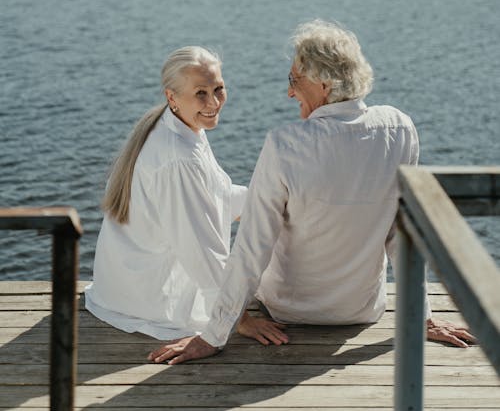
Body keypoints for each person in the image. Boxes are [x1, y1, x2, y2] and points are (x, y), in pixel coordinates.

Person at [148, 21, 475, 364]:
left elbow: (251, 248)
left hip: (288, 310)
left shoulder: (285, 144)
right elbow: (402, 232)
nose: (290, 93)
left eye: (294, 80)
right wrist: (420, 317)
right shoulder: (400, 128)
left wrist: (213, 336)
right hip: (360, 310)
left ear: (324, 84)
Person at [85, 45, 283, 343]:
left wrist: (278, 200)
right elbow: (202, 250)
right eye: (201, 93)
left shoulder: (179, 127)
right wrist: (237, 319)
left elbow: (217, 194)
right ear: (171, 97)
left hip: (120, 287)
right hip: (148, 300)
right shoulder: (178, 157)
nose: (214, 102)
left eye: (219, 88)